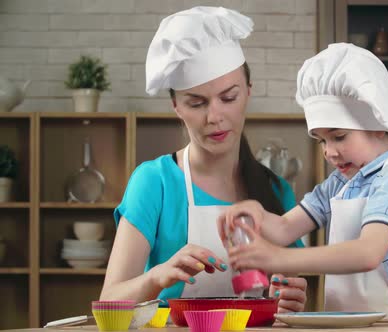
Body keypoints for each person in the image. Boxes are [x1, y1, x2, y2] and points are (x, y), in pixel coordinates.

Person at [99, 6, 307, 313]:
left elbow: (292, 293)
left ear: (248, 92)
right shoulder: (154, 182)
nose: (214, 117)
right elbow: (109, 302)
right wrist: (157, 276)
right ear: (176, 106)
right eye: (196, 103)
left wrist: (292, 297)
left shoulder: (275, 190)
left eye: (229, 98)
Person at [218, 43, 388, 321]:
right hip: (343, 321)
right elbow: (284, 228)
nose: (329, 152)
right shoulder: (338, 182)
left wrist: (276, 258)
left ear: (378, 125)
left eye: (339, 136)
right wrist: (255, 212)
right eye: (321, 141)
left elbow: (368, 253)